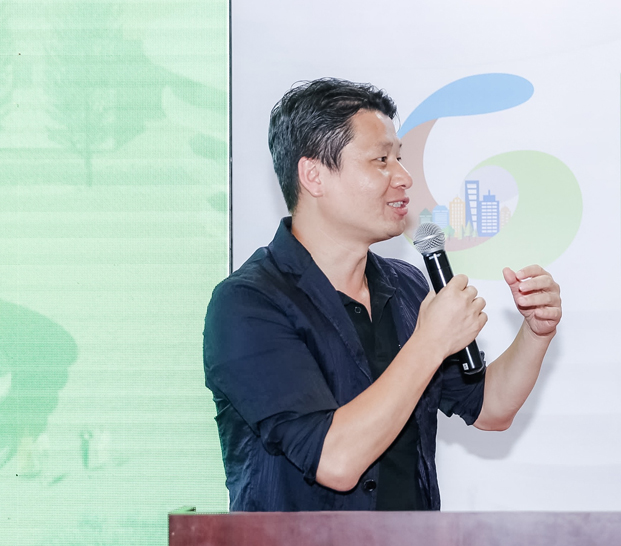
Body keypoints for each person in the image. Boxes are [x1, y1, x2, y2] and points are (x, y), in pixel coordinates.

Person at [203, 78, 562, 512]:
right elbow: (334, 460)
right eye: (381, 160)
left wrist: (536, 333)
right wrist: (429, 342)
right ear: (314, 175)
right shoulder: (248, 304)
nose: (404, 178)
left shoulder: (406, 285)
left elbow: (491, 408)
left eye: (400, 159)